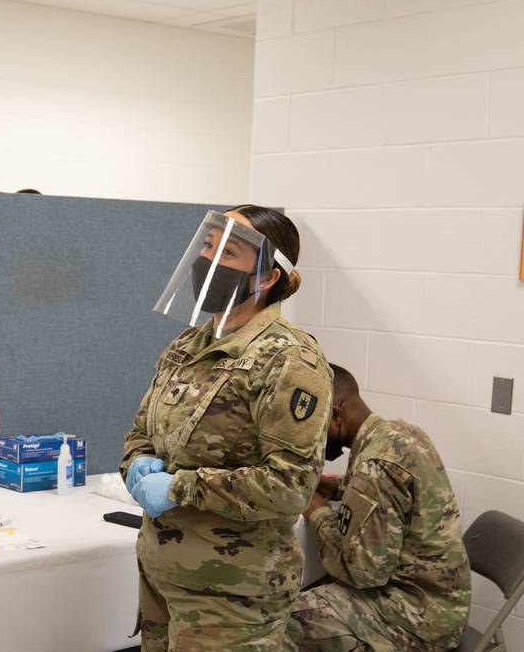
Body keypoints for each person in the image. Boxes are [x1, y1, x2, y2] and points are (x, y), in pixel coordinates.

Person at [120, 205, 333, 651]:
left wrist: (180, 488)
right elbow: (142, 428)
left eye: (228, 251)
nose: (209, 258)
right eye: (208, 245)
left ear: (267, 276)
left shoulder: (289, 359)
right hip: (162, 580)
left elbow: (291, 484)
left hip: (231, 599)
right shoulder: (188, 344)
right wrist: (138, 461)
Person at [285, 364, 471, 651]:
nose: (311, 441)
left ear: (336, 414)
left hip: (414, 622)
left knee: (279, 619)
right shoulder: (402, 433)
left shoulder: (374, 466)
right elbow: (394, 499)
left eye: (314, 430)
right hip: (441, 605)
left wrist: (318, 512)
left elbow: (362, 573)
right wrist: (337, 488)